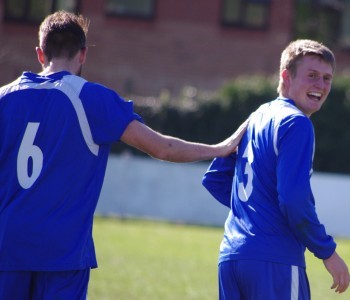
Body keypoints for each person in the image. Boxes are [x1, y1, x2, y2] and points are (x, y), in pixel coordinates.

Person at [0, 11, 247, 299]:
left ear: (40, 54)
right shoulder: (92, 98)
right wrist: (220, 148)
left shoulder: (5, 98)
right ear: (82, 55)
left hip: (7, 247)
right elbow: (162, 147)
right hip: (61, 252)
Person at [202, 39, 350, 300]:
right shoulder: (296, 123)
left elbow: (215, 177)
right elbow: (294, 199)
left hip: (231, 258)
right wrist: (327, 252)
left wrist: (258, 213)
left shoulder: (258, 115)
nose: (321, 85)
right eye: (312, 75)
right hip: (275, 261)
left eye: (327, 78)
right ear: (286, 76)